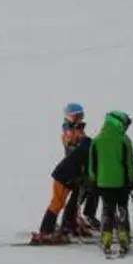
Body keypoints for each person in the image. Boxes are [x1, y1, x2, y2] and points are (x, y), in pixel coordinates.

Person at [32, 104, 93, 244]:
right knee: (57, 202)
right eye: (75, 116)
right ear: (68, 117)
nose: (78, 119)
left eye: (80, 116)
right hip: (66, 173)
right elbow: (73, 145)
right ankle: (45, 231)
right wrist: (82, 141)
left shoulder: (77, 131)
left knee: (76, 198)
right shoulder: (69, 131)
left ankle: (69, 224)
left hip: (74, 172)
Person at [83, 109, 133, 255]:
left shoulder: (97, 140)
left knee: (107, 209)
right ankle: (123, 235)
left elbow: (92, 165)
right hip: (121, 184)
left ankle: (107, 236)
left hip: (103, 183)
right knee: (122, 209)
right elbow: (129, 164)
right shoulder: (124, 140)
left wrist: (92, 182)